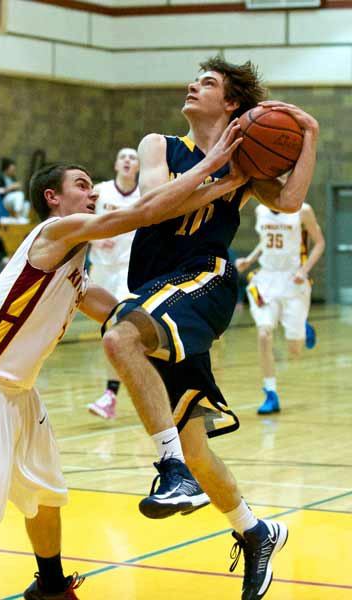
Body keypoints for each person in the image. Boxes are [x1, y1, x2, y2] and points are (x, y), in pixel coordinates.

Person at [0, 130, 245, 600]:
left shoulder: (75, 272)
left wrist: (185, 328)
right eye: (83, 185)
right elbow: (142, 213)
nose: (94, 193)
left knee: (46, 494)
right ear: (53, 198)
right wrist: (217, 172)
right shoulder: (52, 233)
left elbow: (122, 316)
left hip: (21, 394)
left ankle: (51, 587)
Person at [101, 56, 319, 599]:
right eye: (194, 80)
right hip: (157, 285)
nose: (192, 86)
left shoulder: (249, 156)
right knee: (196, 443)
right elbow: (151, 207)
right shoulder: (160, 145)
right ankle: (255, 531)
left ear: (231, 105)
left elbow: (290, 200)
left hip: (205, 277)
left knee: (118, 335)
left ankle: (170, 470)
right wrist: (219, 173)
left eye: (208, 83)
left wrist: (309, 133)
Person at [235, 202, 325, 414]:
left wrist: (304, 270)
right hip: (265, 279)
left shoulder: (303, 211)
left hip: (293, 280)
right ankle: (270, 392)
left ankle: (303, 327)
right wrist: (249, 260)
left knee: (295, 349)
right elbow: (265, 242)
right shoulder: (260, 210)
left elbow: (320, 243)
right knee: (264, 334)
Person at [87, 147, 140, 419]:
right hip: (100, 269)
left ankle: (110, 395)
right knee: (109, 332)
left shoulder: (146, 193)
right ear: (116, 164)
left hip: (129, 271)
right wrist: (94, 238)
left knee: (115, 328)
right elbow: (81, 220)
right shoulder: (101, 191)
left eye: (133, 157)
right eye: (123, 157)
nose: (128, 160)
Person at [0, 158, 29, 222]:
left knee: (26, 203)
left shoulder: (12, 177)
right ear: (7, 168)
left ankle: (22, 219)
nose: (13, 171)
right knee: (19, 195)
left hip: (13, 199)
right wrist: (11, 187)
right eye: (12, 169)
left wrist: (18, 186)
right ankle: (18, 216)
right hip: (4, 200)